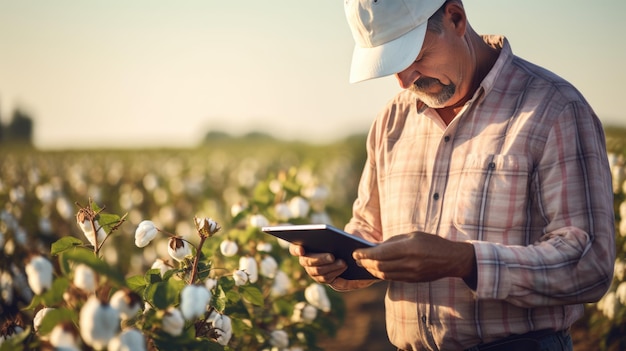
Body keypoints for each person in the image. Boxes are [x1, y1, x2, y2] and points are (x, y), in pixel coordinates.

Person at [289, 0, 616, 350]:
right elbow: (369, 229)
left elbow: (589, 263)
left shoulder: (554, 109)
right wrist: (340, 262)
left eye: (414, 57)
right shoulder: (392, 121)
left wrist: (463, 261)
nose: (403, 80)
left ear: (455, 17)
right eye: (392, 65)